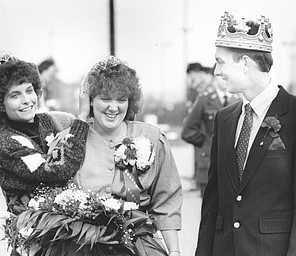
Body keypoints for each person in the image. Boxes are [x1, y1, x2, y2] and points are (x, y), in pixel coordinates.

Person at [195, 11, 296, 256]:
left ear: (244, 64)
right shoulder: (225, 118)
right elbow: (213, 200)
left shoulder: (293, 113)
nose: (216, 72)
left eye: (220, 62)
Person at [74, 56, 183, 256]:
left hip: (137, 242)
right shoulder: (73, 139)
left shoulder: (152, 137)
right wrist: (81, 117)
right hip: (82, 245)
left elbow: (166, 200)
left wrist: (174, 251)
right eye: (105, 99)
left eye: (121, 100)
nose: (113, 108)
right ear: (90, 100)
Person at [0, 53, 89, 219]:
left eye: (29, 91)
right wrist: (82, 119)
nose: (26, 100)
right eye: (15, 95)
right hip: (36, 230)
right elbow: (54, 171)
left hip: (67, 219)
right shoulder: (5, 142)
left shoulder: (53, 119)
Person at [181, 71, 240, 197]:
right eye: (220, 76)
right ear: (214, 79)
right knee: (208, 209)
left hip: (232, 165)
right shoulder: (204, 100)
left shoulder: (238, 100)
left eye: (228, 76)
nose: (224, 80)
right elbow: (187, 131)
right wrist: (206, 142)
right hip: (207, 162)